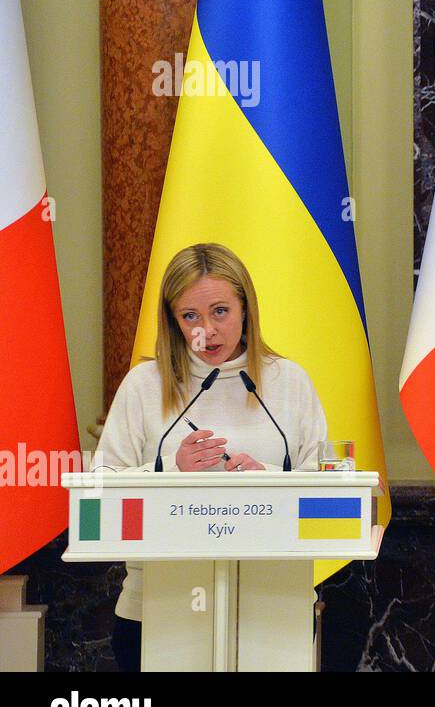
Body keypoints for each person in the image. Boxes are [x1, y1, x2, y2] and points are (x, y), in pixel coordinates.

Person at [96, 243, 327, 672]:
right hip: (156, 609)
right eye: (190, 317)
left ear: (245, 309)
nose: (206, 331)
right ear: (172, 320)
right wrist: (166, 470)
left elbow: (326, 497)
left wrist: (271, 478)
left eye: (220, 311)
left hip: (276, 608)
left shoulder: (288, 382)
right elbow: (99, 497)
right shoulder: (144, 385)